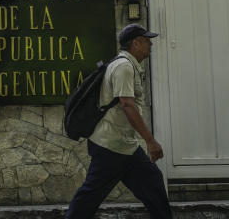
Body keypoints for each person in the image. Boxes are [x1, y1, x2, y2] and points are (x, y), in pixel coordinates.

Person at [66, 23, 172, 219]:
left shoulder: (128, 65)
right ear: (136, 43)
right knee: (89, 196)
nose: (151, 44)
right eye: (147, 41)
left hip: (124, 146)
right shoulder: (123, 67)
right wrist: (150, 140)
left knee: (153, 182)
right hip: (111, 146)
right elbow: (127, 105)